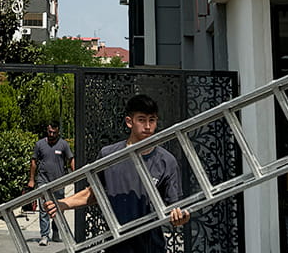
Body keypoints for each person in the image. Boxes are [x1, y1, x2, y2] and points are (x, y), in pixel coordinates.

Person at [45, 94, 190, 253]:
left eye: (152, 120)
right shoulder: (109, 156)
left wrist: (181, 217)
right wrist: (62, 204)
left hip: (151, 247)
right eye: (141, 120)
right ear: (129, 121)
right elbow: (94, 193)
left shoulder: (166, 161)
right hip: (115, 245)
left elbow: (174, 207)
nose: (148, 126)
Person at [27, 120, 74, 247]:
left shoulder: (63, 144)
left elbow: (71, 159)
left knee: (58, 208)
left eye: (54, 132)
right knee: (44, 208)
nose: (51, 134)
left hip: (59, 182)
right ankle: (44, 235)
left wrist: (75, 176)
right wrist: (32, 179)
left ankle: (56, 231)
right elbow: (33, 162)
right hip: (43, 181)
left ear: (58, 132)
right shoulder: (39, 144)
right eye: (49, 132)